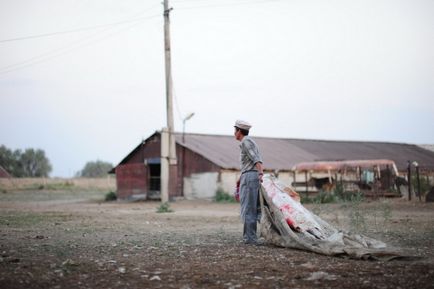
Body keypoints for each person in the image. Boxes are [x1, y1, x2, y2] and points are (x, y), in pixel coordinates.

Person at [234, 120, 264, 245]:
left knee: (249, 208)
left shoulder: (246, 141)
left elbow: (256, 159)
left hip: (250, 177)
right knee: (251, 207)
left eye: (235, 130)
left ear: (239, 131)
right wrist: (240, 178)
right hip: (248, 175)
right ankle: (250, 237)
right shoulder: (247, 142)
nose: (234, 133)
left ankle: (250, 239)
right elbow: (250, 162)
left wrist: (260, 173)